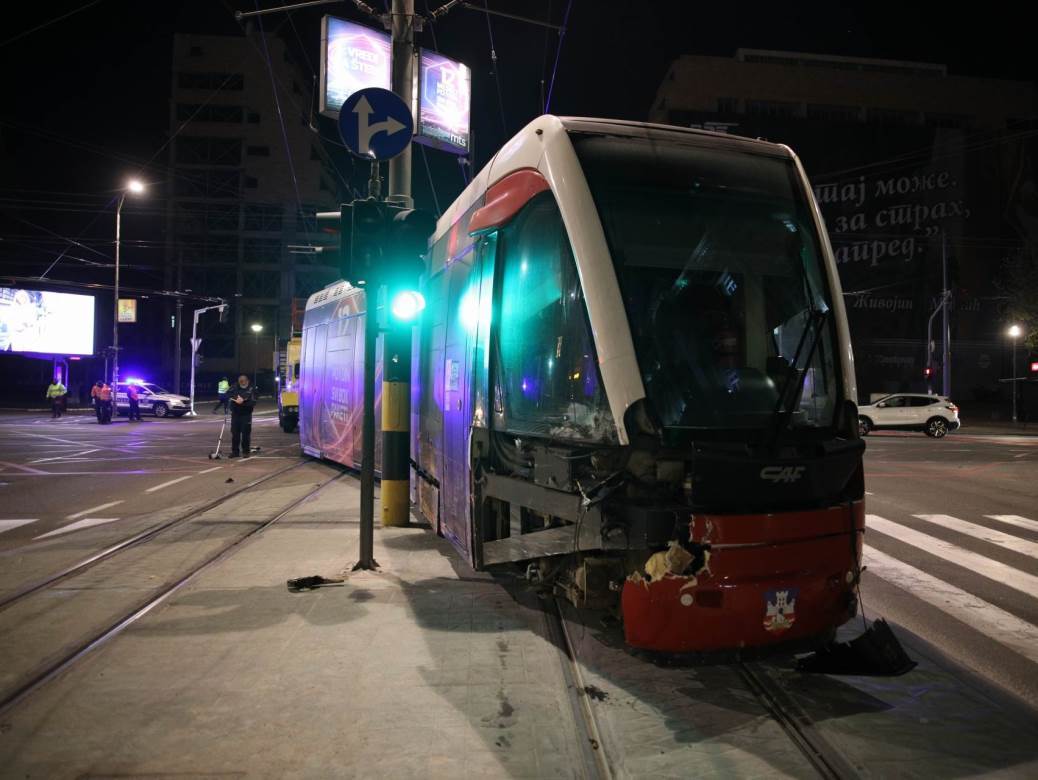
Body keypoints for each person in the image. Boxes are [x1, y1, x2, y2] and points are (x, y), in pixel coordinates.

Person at [228, 374, 256, 458]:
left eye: (243, 382)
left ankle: (246, 452)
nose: (242, 383)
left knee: (245, 434)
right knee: (235, 434)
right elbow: (228, 394)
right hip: (235, 414)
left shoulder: (252, 389)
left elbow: (253, 402)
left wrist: (243, 402)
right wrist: (236, 398)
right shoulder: (234, 386)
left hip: (246, 414)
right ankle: (235, 452)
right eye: (240, 382)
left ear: (247, 381)